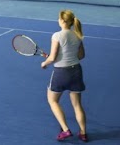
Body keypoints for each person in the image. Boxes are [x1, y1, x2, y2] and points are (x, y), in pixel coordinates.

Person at [41, 9, 88, 142]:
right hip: (76, 72)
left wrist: (44, 63)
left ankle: (66, 130)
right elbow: (81, 56)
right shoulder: (78, 35)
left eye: (59, 18)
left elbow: (52, 58)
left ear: (62, 20)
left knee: (53, 101)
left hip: (61, 73)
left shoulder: (57, 35)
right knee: (77, 105)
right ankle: (83, 133)